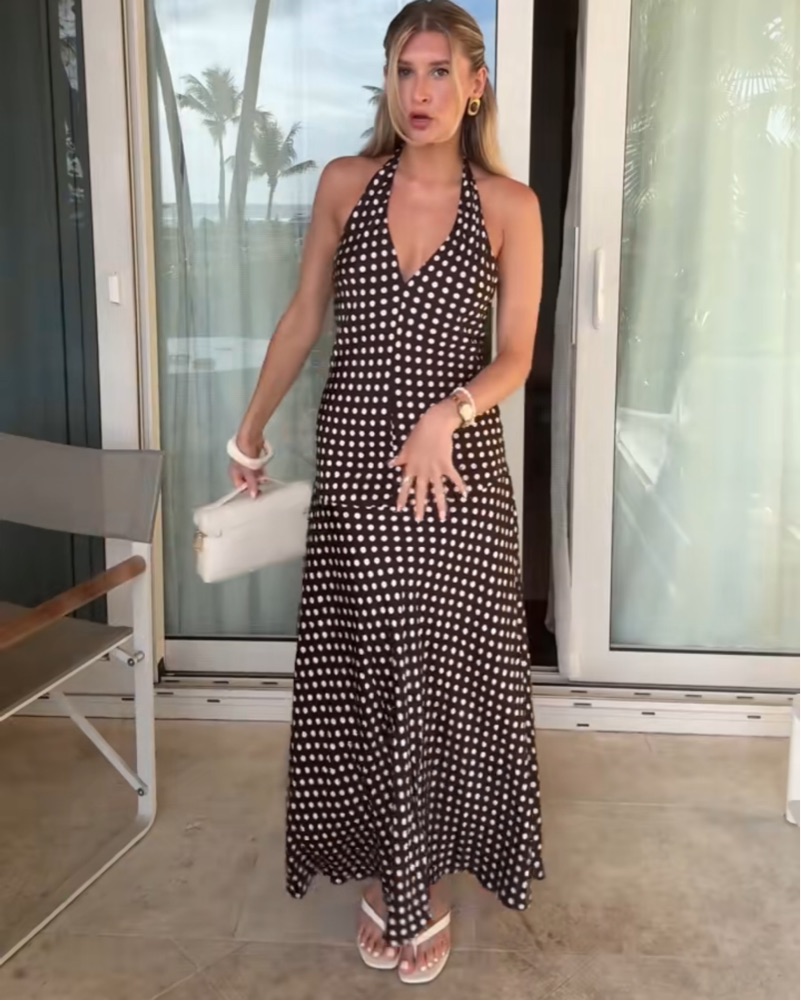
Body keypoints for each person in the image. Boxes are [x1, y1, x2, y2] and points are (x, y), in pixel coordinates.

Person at [229, 0, 544, 985]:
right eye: (406, 71)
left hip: (456, 478)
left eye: (440, 71)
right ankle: (391, 872)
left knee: (440, 680)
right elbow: (303, 316)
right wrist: (249, 429)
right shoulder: (345, 185)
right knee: (370, 677)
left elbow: (517, 355)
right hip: (358, 468)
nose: (421, 91)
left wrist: (450, 410)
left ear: (474, 86)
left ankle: (421, 883)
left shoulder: (510, 206)